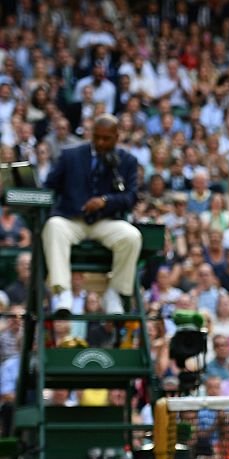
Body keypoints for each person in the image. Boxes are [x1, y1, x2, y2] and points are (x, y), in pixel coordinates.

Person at [42, 113, 142, 316]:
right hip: (73, 220)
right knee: (53, 226)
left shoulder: (127, 160)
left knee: (132, 237)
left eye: (106, 138)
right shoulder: (71, 155)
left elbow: (131, 197)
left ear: (117, 136)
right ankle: (63, 292)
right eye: (96, 137)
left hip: (105, 222)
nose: (100, 142)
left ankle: (114, 292)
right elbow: (48, 187)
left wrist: (106, 201)